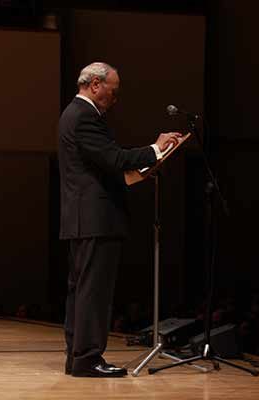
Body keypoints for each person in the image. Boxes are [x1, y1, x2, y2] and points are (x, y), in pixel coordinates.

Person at [59, 62, 181, 378]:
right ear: (95, 84)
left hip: (82, 217)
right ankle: (87, 359)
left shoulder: (74, 114)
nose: (115, 98)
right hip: (95, 217)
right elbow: (114, 158)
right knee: (93, 291)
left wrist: (133, 173)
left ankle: (78, 357)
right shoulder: (84, 116)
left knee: (81, 290)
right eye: (113, 90)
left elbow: (101, 166)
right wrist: (156, 148)